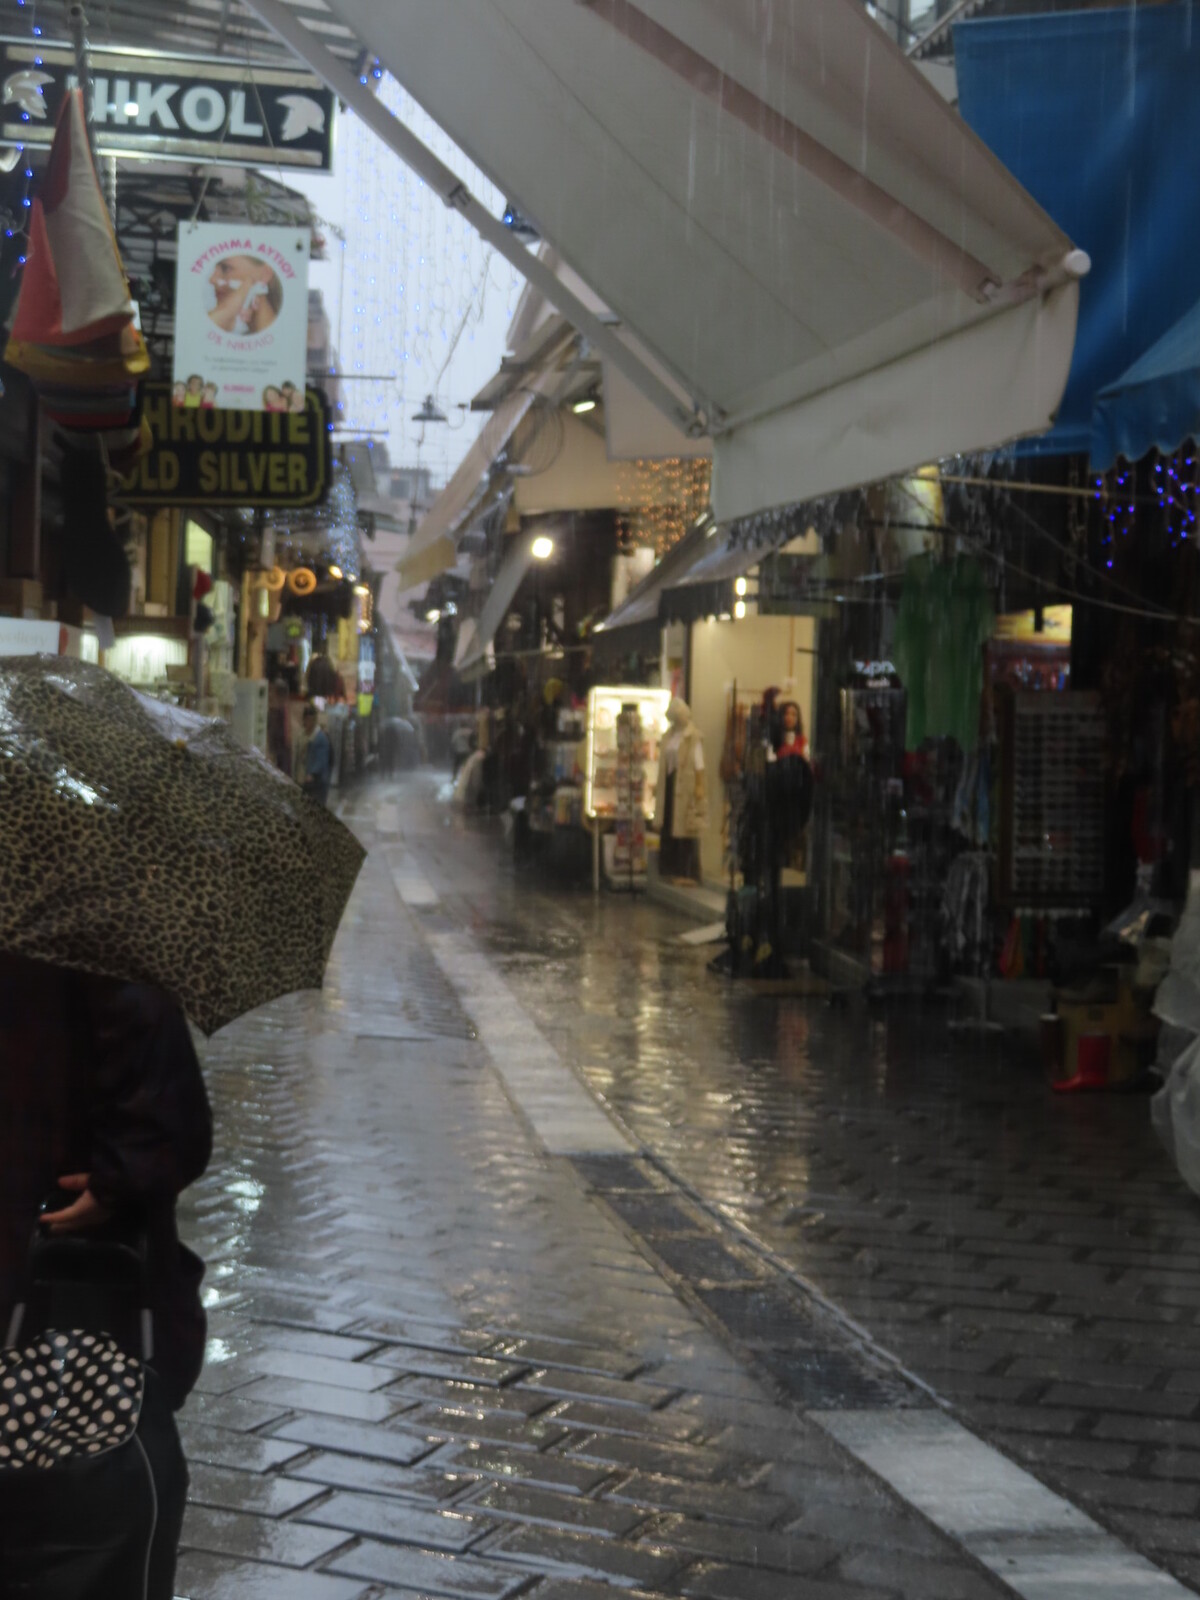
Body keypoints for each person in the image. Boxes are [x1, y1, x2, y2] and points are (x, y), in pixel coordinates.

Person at [0, 952, 212, 1600]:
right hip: (58, 1275)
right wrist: (124, 1175)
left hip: (45, 1261)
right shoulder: (89, 931)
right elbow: (166, 1111)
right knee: (79, 1497)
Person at [301, 702, 332, 805]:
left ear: (313, 720)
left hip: (318, 781)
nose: (306, 723)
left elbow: (321, 759)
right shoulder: (308, 736)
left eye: (308, 720)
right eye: (305, 720)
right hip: (311, 780)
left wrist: (312, 774)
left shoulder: (320, 738)